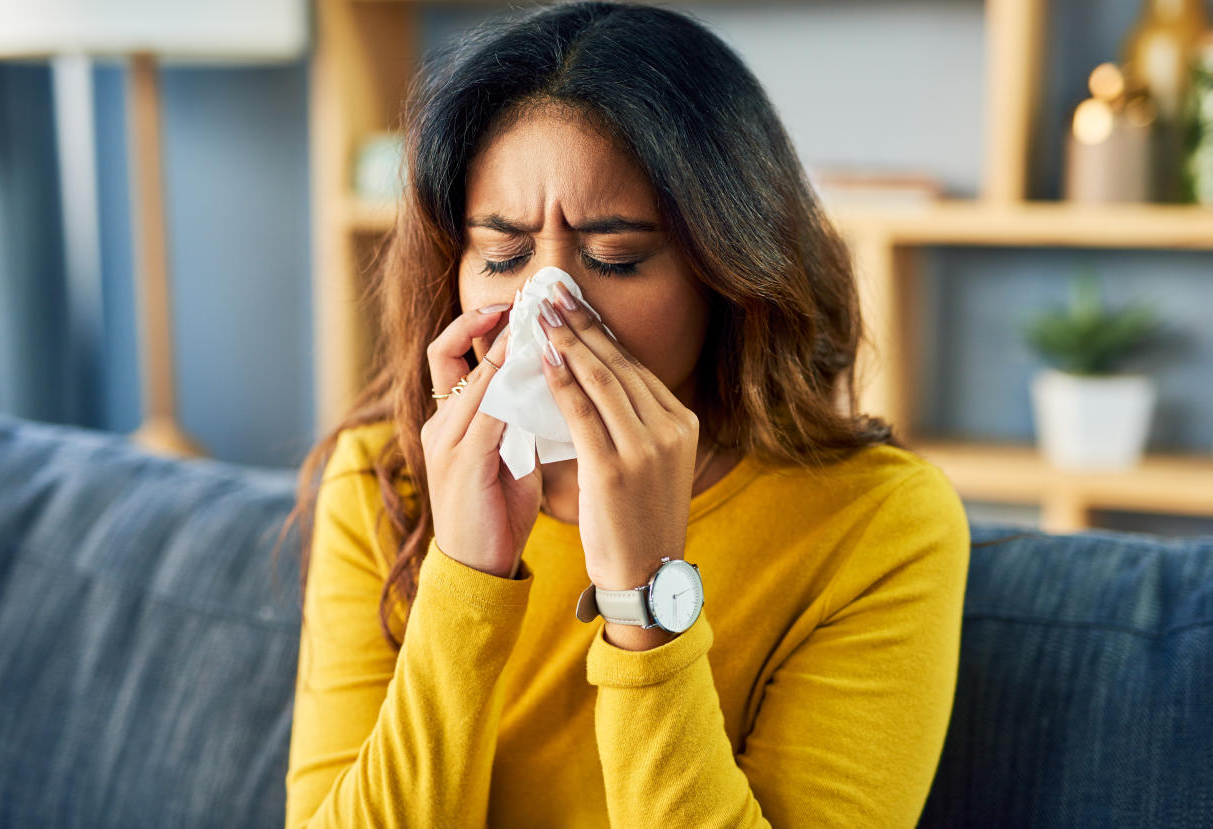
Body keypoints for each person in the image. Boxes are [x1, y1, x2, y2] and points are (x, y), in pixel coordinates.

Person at [282, 2, 970, 826]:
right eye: (502, 255)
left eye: (616, 256)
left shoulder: (880, 522)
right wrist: (464, 575)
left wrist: (646, 597)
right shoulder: (382, 478)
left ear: (726, 273)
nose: (548, 302)